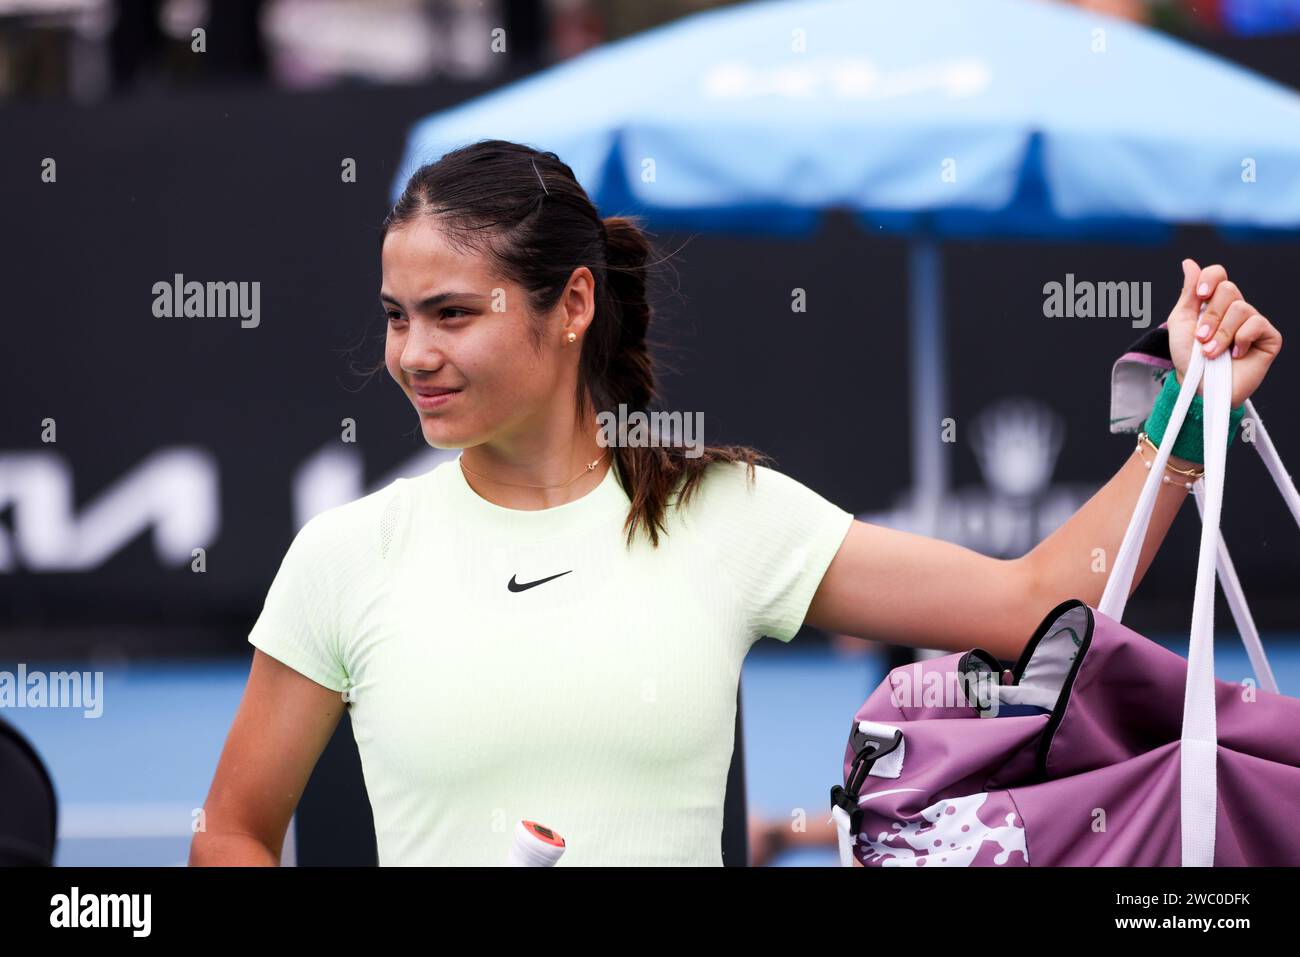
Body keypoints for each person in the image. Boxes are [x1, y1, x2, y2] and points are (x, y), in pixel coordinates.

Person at [189, 139, 1283, 867]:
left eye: (451, 315)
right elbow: (233, 835)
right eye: (394, 317)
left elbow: (1040, 606)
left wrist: (1183, 426)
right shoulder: (343, 556)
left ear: (571, 305)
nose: (412, 354)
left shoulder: (727, 514)